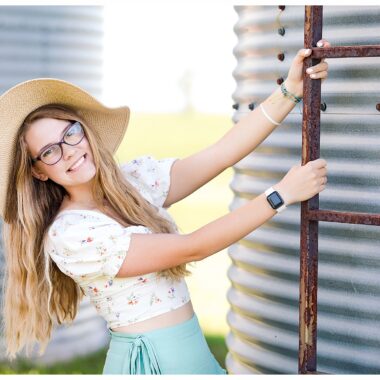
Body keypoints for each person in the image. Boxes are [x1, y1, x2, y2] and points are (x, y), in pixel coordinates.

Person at [0, 39, 330, 375]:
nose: (68, 150)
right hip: (150, 365)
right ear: (38, 171)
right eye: (49, 151)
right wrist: (280, 195)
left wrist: (290, 91)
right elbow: (193, 248)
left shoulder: (132, 184)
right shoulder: (71, 234)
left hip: (190, 356)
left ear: (84, 131)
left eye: (70, 134)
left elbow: (219, 154)